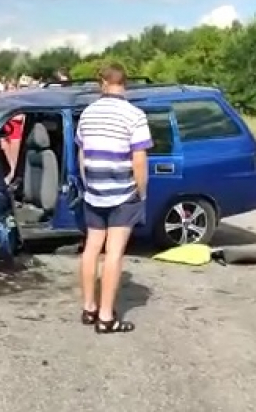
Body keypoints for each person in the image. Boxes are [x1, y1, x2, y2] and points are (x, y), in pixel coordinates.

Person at [77, 63, 152, 334]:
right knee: (114, 252)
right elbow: (139, 160)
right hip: (122, 193)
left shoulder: (87, 114)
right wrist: (141, 192)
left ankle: (88, 308)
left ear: (102, 84)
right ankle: (106, 317)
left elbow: (82, 156)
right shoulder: (135, 115)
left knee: (91, 247)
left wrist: (89, 185)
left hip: (94, 192)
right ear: (125, 84)